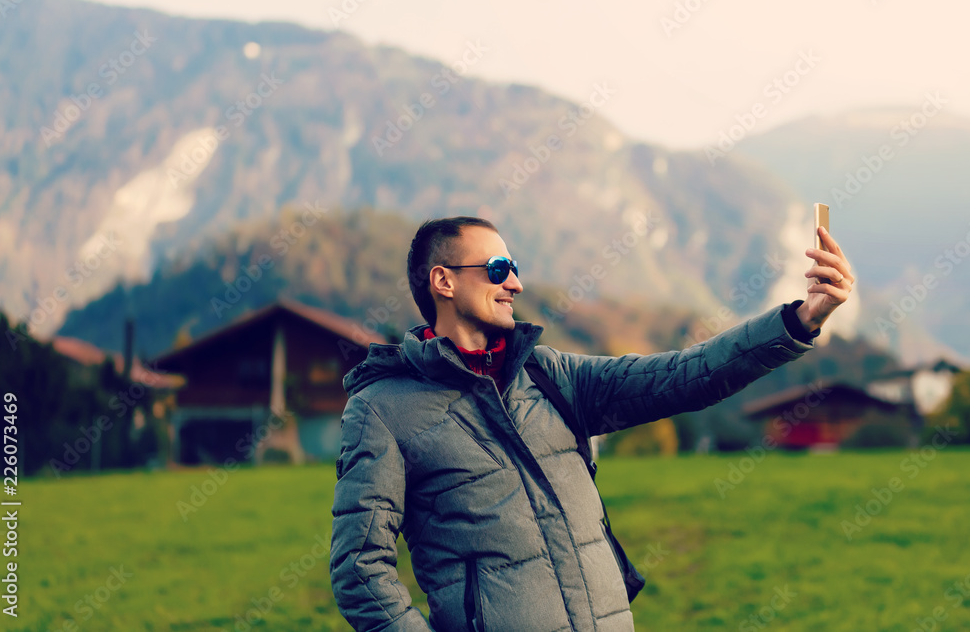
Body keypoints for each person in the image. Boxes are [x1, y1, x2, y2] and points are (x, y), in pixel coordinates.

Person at [330, 216, 854, 631]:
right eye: (495, 269)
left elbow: (689, 374)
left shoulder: (553, 376)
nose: (514, 282)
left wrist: (801, 319)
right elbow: (359, 568)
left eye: (513, 267)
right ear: (443, 281)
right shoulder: (382, 408)